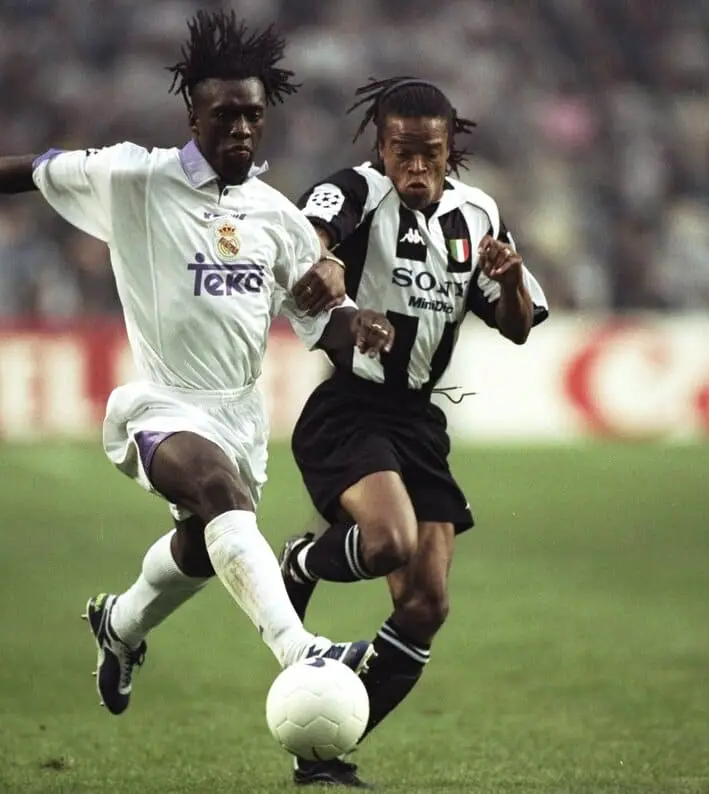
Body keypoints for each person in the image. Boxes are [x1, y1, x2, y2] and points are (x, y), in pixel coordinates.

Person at [0, 10, 396, 718]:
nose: (242, 130)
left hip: (240, 414)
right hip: (161, 401)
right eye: (226, 115)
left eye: (253, 116)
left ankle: (120, 626)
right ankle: (300, 649)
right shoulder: (136, 178)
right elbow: (34, 170)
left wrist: (361, 324)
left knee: (201, 544)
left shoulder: (277, 217)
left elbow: (323, 320)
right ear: (193, 115)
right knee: (220, 495)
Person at [278, 77, 549, 787]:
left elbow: (518, 326)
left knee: (426, 605)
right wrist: (325, 264)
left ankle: (323, 752)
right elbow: (304, 237)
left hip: (420, 421)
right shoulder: (358, 191)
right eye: (403, 151)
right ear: (381, 146)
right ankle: (301, 561)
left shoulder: (477, 213)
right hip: (351, 409)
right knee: (390, 539)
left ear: (450, 148)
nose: (417, 167)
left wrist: (513, 278)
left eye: (431, 153)